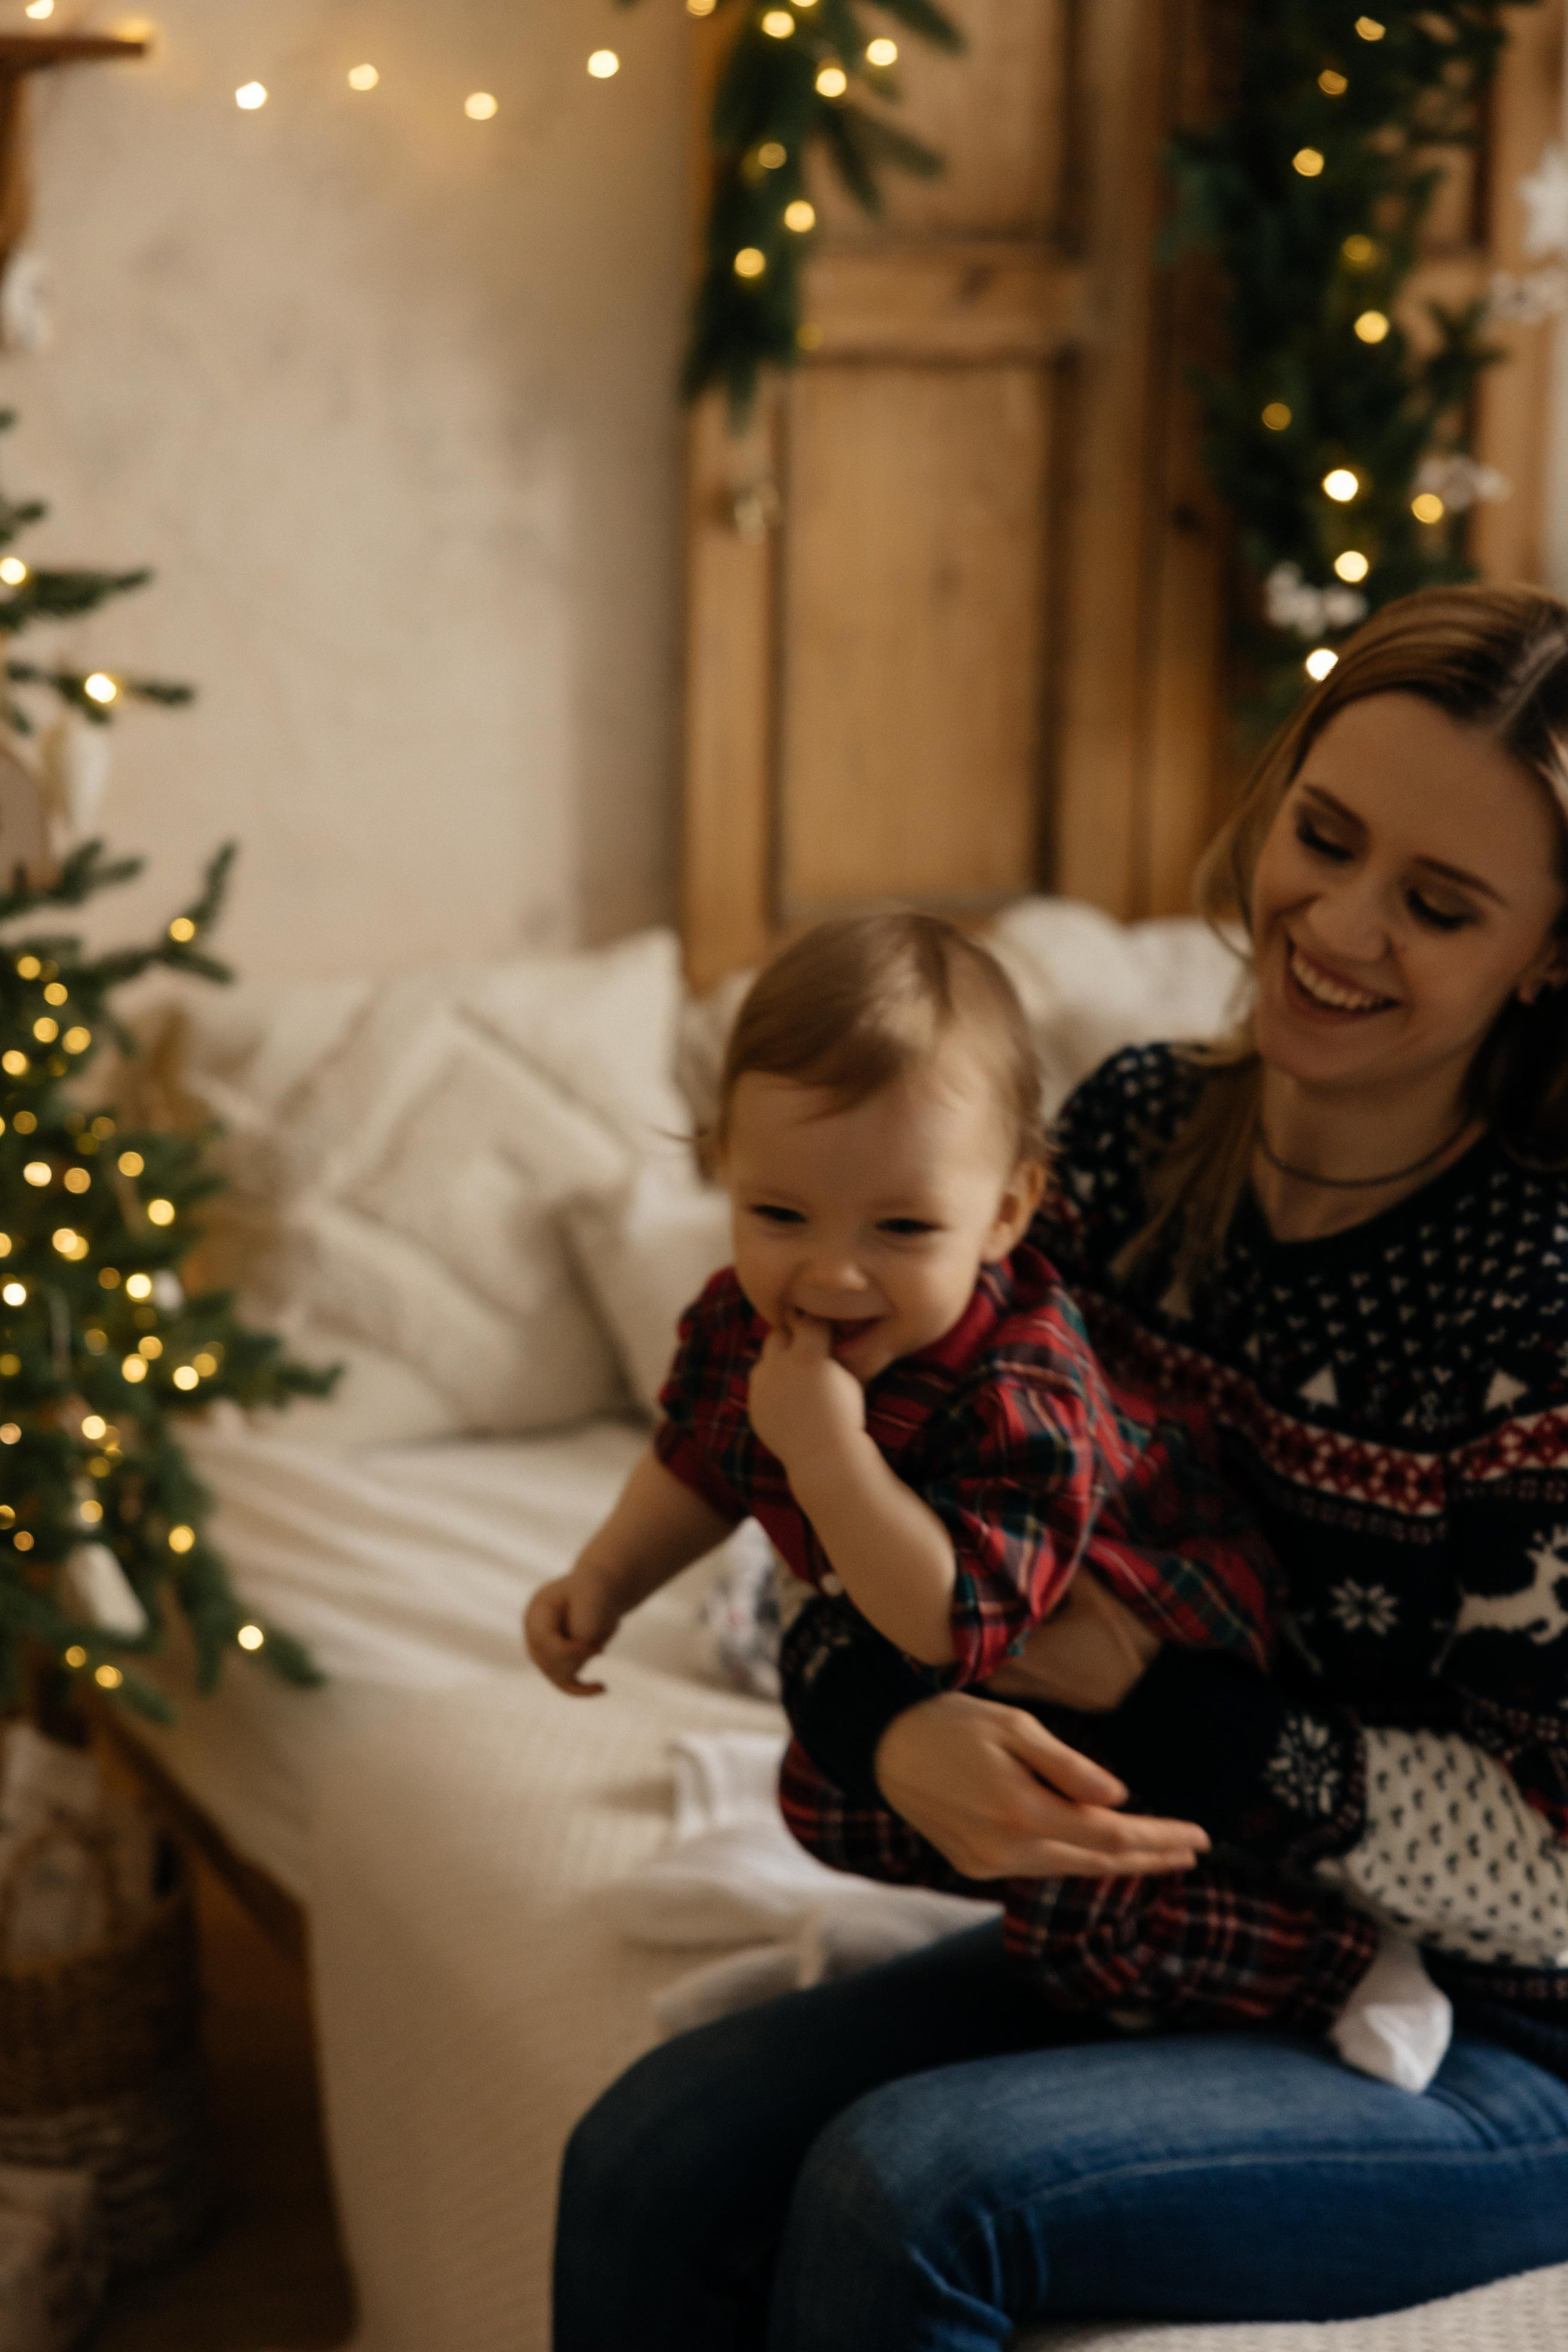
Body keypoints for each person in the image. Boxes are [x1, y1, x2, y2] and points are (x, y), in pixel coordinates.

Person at [552, 586, 1568, 2349]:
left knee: (912, 2189)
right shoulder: (1124, 1133)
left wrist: (1161, 1706)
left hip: (1510, 2030)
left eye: (1440, 903)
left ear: (1549, 954)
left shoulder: (1541, 1291)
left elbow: (1554, 1876)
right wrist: (891, 1718)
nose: (1334, 923)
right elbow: (846, 1507)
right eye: (1322, 838)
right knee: (648, 2155)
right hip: (1180, 1929)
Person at [526, 912, 1436, 2071]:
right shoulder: (744, 1319)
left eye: (903, 1227)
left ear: (1006, 1211)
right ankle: (987, 1927)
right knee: (824, 1796)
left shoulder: (1024, 1382)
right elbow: (699, 1457)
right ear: (721, 1167)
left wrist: (827, 1455)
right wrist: (603, 1579)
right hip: (976, 1641)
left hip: (1151, 1654)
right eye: (779, 1215)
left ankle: (1339, 1963)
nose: (832, 1271)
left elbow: (950, 1621)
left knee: (1090, 1925)